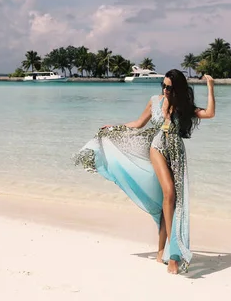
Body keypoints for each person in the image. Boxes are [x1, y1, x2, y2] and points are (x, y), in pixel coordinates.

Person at [73, 69, 215, 274]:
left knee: (174, 202)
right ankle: (173, 255)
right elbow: (138, 124)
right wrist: (114, 128)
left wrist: (210, 87)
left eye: (169, 87)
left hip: (177, 154)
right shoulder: (154, 101)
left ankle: (162, 252)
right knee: (169, 194)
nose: (165, 90)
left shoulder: (183, 107)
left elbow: (209, 113)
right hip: (157, 148)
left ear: (178, 89)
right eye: (163, 86)